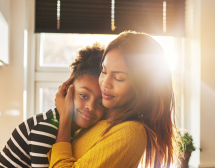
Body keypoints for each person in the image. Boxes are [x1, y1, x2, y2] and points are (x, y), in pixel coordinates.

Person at [48, 31, 180, 168]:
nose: (105, 83)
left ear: (143, 86)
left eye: (119, 78)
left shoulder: (131, 132)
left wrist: (65, 118)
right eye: (104, 71)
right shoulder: (96, 117)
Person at [0, 43, 106, 168]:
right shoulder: (48, 129)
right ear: (68, 88)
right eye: (83, 95)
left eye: (100, 102)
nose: (91, 106)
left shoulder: (76, 131)